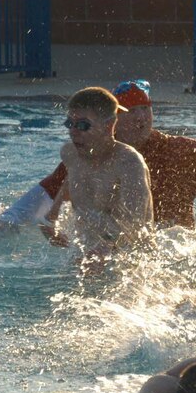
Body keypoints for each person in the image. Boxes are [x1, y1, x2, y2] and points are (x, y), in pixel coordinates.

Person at [0, 79, 196, 231]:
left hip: (174, 254)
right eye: (131, 111)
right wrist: (3, 224)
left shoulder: (178, 152)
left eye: (145, 109)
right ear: (111, 122)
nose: (141, 117)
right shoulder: (87, 156)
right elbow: (42, 196)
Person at [37, 87, 153, 264]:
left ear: (108, 126)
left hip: (131, 262)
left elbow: (134, 219)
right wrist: (52, 217)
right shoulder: (70, 154)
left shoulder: (129, 163)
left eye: (83, 125)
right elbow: (73, 179)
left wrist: (103, 248)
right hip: (88, 255)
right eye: (70, 124)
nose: (73, 131)